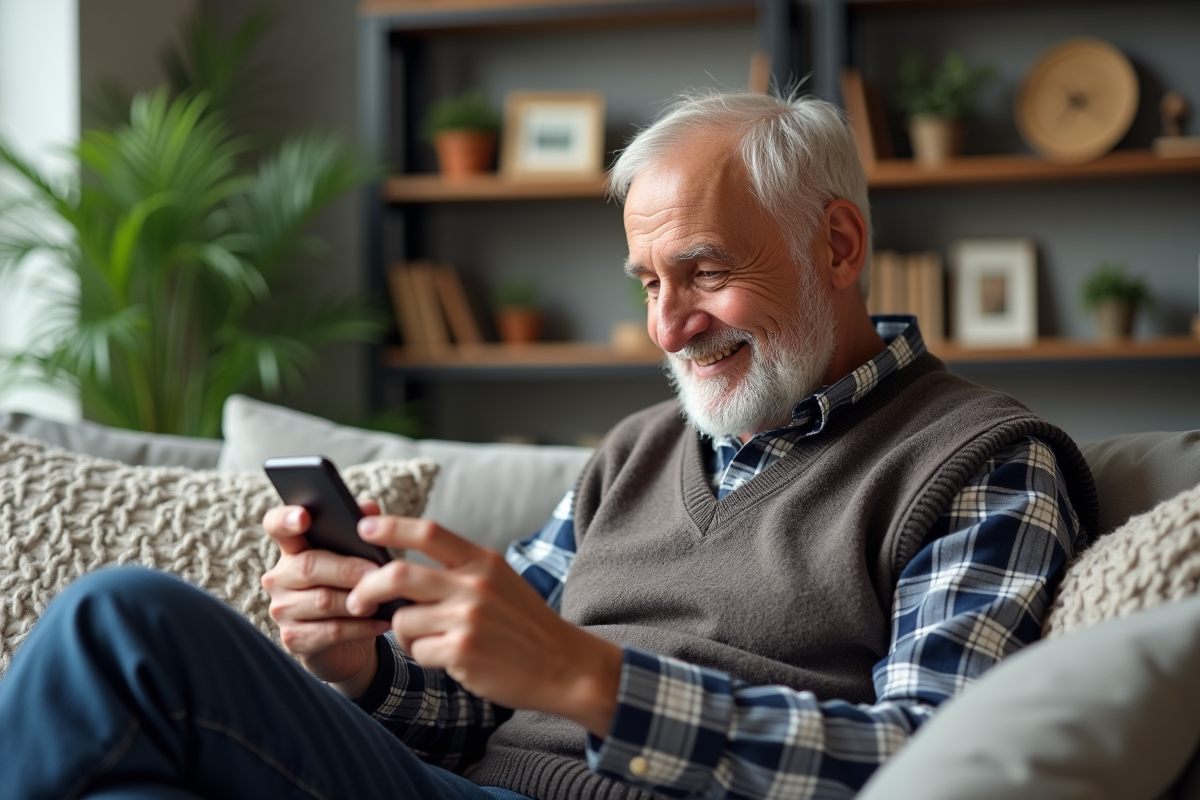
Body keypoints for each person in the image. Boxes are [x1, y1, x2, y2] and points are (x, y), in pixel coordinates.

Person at [0, 90, 1097, 800]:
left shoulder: (982, 463)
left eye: (705, 272)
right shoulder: (636, 451)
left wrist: (590, 678)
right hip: (466, 786)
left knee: (123, 618)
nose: (668, 327)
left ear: (840, 245)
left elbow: (933, 763)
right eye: (649, 284)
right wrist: (366, 668)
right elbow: (478, 694)